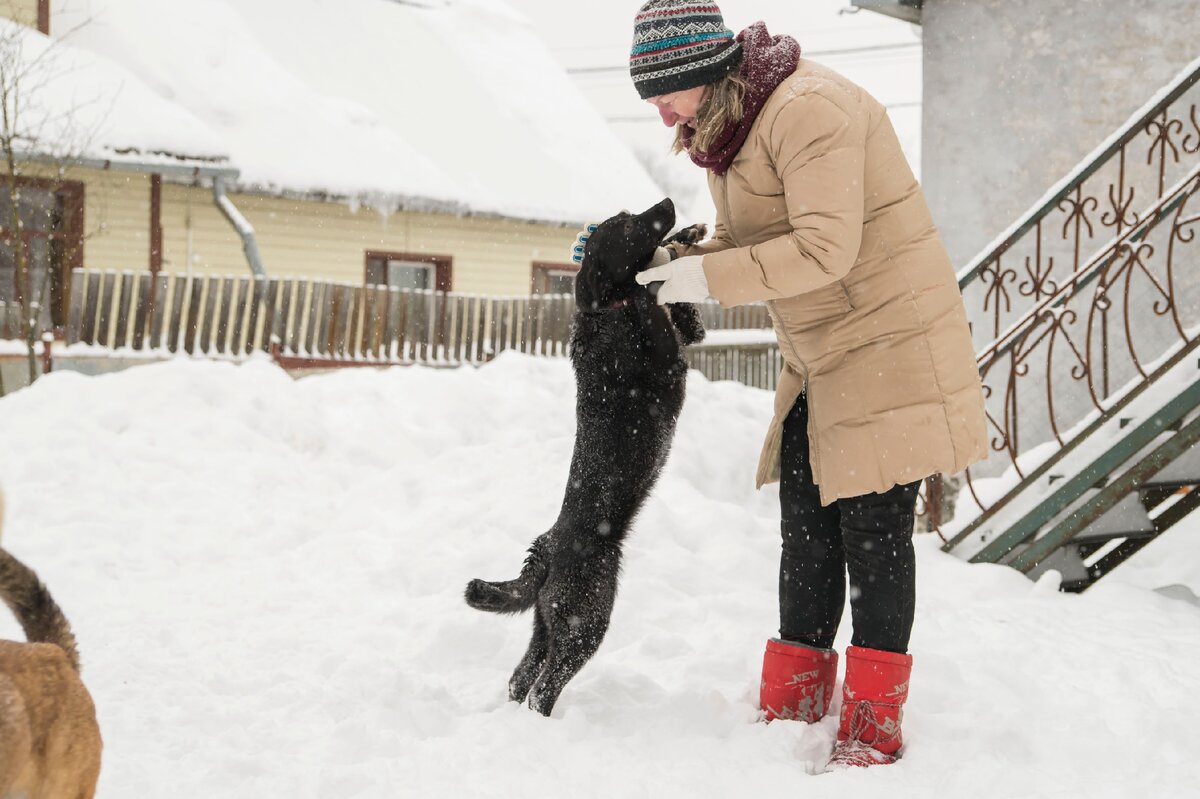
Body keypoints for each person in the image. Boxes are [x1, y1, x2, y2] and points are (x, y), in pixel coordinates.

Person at [623, 0, 989, 768]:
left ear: (698, 71)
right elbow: (752, 237)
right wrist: (679, 257)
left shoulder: (808, 111)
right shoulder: (735, 126)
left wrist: (707, 277)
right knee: (806, 526)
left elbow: (823, 248)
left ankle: (872, 725)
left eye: (664, 94)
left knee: (872, 531)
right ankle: (794, 708)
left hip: (888, 339)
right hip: (823, 349)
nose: (662, 117)